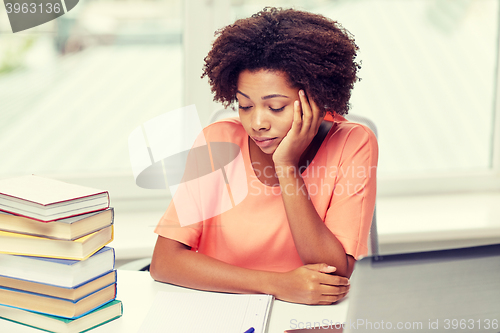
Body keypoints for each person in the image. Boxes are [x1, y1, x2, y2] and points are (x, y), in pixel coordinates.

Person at [150, 7, 378, 305]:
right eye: (245, 106)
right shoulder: (218, 140)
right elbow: (164, 262)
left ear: (317, 97)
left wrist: (286, 166)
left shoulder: (352, 143)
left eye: (276, 107)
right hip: (219, 308)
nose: (257, 122)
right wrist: (277, 284)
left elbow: (333, 273)